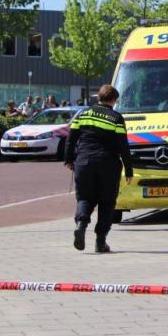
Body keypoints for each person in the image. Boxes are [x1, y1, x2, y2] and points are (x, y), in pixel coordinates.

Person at [64, 85, 133, 253]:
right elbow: (123, 146)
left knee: (84, 199)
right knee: (107, 203)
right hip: (107, 165)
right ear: (114, 100)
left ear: (98, 98)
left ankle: (81, 224)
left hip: (84, 163)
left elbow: (70, 140)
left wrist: (69, 160)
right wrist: (129, 170)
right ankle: (100, 242)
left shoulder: (83, 114)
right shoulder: (116, 117)